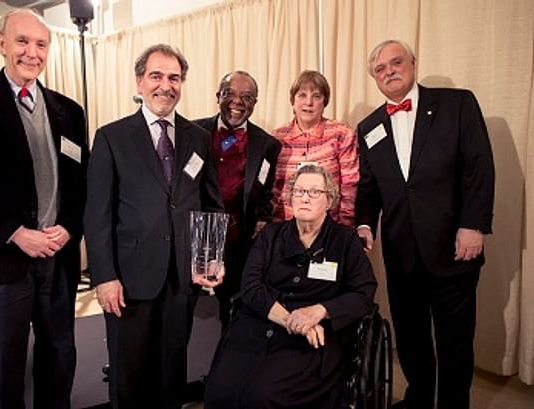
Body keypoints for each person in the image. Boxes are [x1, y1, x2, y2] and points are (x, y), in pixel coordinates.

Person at [0, 9, 88, 409]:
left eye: (41, 44)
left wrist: (68, 227)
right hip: (3, 261)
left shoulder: (69, 111)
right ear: (2, 43)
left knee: (60, 358)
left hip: (57, 261)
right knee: (5, 368)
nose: (32, 52)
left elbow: (79, 184)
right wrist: (16, 233)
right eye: (22, 41)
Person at [355, 39, 495, 409]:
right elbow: (368, 189)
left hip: (453, 243)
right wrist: (365, 225)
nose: (389, 72)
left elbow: (478, 168)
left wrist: (473, 225)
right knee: (412, 335)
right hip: (401, 252)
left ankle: (453, 404)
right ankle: (418, 399)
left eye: (395, 62)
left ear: (413, 63)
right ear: (375, 78)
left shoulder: (457, 104)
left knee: (454, 338)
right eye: (380, 70)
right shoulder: (369, 126)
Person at [83, 44, 224, 409]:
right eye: (156, 76)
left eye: (174, 78)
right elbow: (96, 215)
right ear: (140, 81)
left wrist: (211, 258)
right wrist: (104, 277)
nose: (166, 85)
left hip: (181, 280)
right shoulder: (111, 137)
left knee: (172, 370)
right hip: (128, 281)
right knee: (129, 374)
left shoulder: (197, 138)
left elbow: (210, 204)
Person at [205, 164, 377, 409]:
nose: (304, 198)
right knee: (219, 392)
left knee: (263, 396)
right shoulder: (270, 236)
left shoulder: (345, 240)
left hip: (311, 341)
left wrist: (320, 311)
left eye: (314, 192)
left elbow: (363, 293)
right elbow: (251, 287)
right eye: (299, 191)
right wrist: (292, 321)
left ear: (330, 200)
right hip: (259, 325)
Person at [194, 71, 282, 326]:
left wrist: (264, 217)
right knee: (183, 305)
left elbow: (266, 190)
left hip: (237, 238)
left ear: (255, 103)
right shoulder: (192, 131)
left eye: (247, 97)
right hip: (195, 234)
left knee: (233, 304)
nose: (237, 102)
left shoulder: (268, 145)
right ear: (218, 96)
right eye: (230, 94)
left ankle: (229, 358)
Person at [272, 70, 358, 225]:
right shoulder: (276, 138)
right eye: (302, 95)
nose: (309, 102)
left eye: (316, 96)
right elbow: (271, 188)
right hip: (284, 228)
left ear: (324, 102)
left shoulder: (342, 134)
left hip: (330, 228)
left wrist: (345, 227)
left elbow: (349, 186)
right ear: (293, 101)